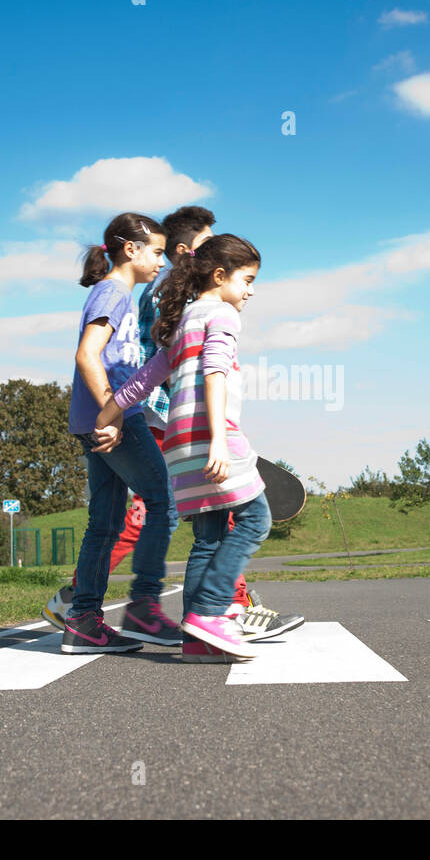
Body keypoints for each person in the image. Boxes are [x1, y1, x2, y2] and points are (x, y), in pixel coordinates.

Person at [95, 234, 273, 661]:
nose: (250, 290)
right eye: (247, 279)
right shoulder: (224, 316)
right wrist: (218, 440)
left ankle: (197, 641)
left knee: (208, 537)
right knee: (255, 519)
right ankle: (212, 612)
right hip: (213, 437)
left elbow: (146, 377)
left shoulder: (184, 319)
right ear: (219, 276)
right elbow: (214, 373)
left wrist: (108, 413)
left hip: (176, 446)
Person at [55, 212, 183, 655]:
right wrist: (111, 413)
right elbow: (87, 355)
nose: (161, 263)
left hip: (101, 420)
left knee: (105, 523)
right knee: (163, 502)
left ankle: (83, 621)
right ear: (131, 250)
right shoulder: (112, 292)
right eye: (158, 253)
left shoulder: (120, 295)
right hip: (113, 420)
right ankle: (144, 607)